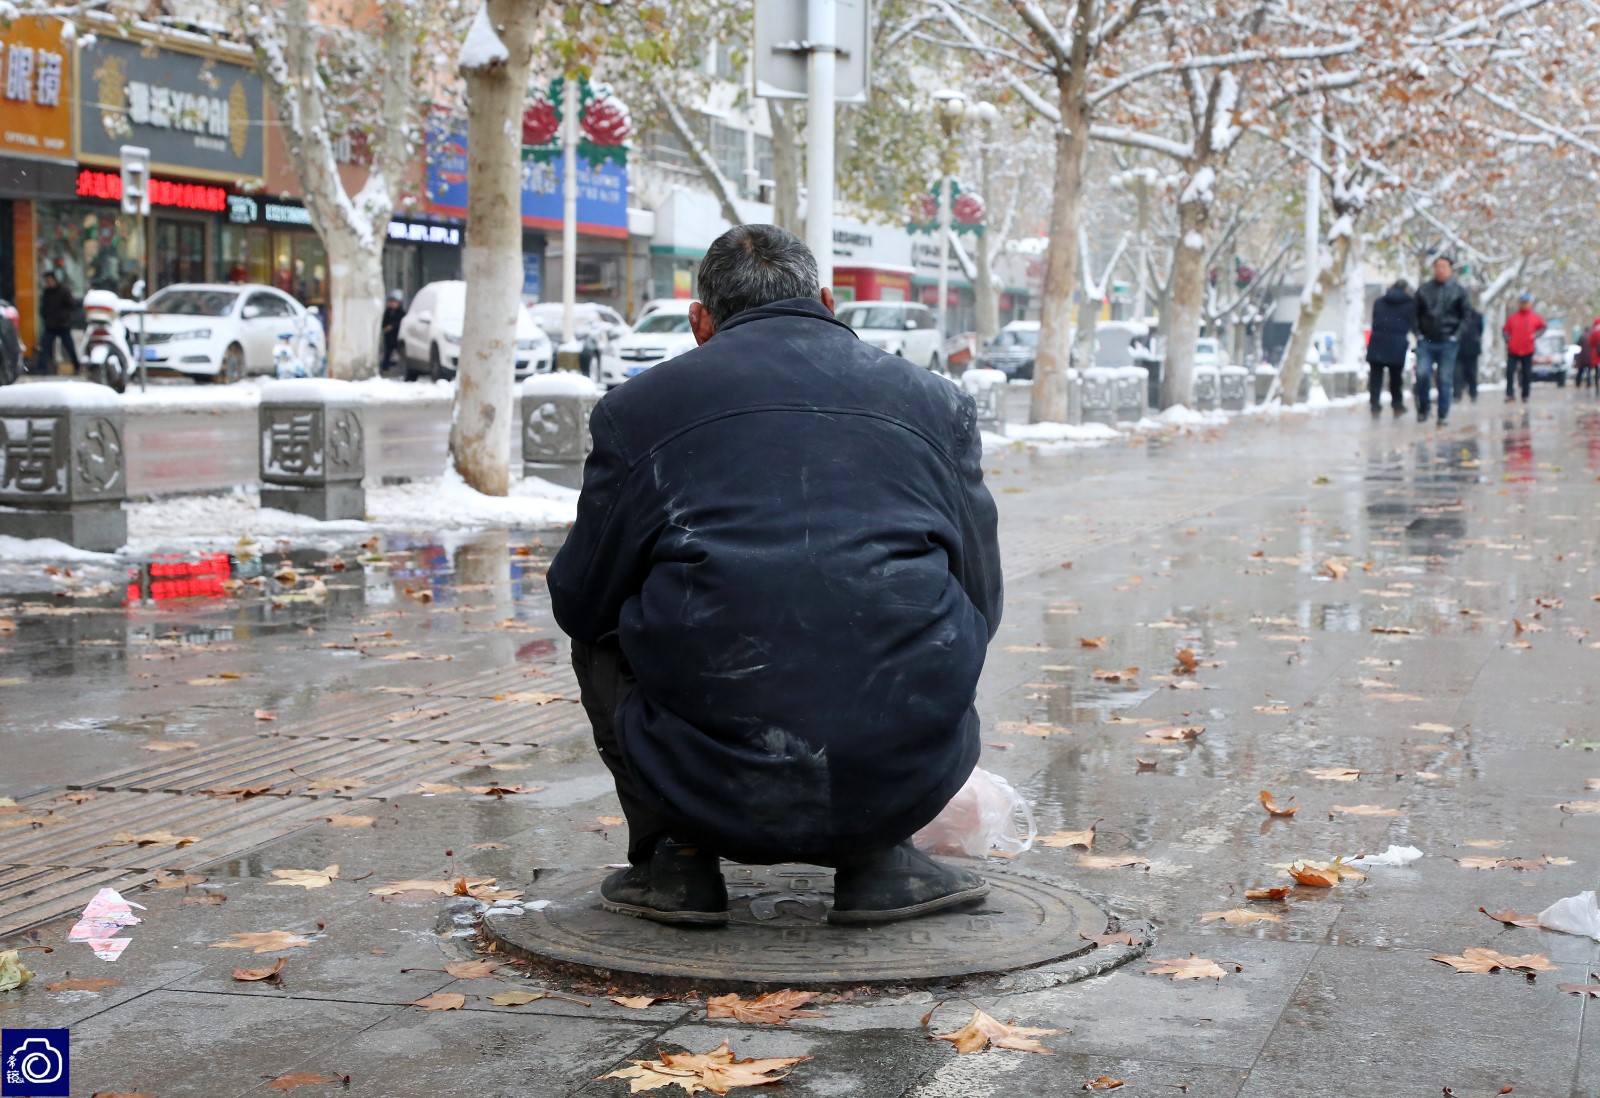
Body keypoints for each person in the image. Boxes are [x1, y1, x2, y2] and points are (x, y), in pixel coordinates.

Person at [547, 224, 1003, 927]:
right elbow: (982, 596)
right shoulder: (935, 403)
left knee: (603, 630)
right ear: (826, 300)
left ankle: (677, 859)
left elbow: (580, 601)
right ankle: (881, 858)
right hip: (904, 769)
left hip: (702, 777)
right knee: (937, 616)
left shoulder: (638, 411)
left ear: (701, 322)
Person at [1413, 254, 1469, 425]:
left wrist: (1456, 336)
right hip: (1427, 340)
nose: (1440, 269)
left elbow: (1466, 315)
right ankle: (1424, 407)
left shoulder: (1459, 291)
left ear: (1450, 269)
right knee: (1422, 373)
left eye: (1443, 266)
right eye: (1437, 266)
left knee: (1444, 378)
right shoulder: (1424, 290)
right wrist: (1418, 334)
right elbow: (1414, 313)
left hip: (1448, 341)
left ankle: (1443, 414)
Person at [1367, 279, 1414, 417]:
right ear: (1405, 289)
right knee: (1396, 377)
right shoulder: (1409, 304)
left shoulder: (1379, 301)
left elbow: (1375, 319)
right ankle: (1397, 405)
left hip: (1377, 342)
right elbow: (1412, 323)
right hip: (1397, 343)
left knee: (1376, 377)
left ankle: (1375, 404)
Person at [1502, 292, 1546, 403]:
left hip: (1527, 350)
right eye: (1522, 302)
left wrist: (1535, 335)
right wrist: (1509, 340)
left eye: (1526, 302)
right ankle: (1509, 394)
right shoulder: (1513, 318)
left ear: (1530, 304)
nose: (1524, 305)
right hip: (1513, 349)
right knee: (1510, 372)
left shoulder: (1535, 318)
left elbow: (1543, 328)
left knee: (1526, 373)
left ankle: (1525, 395)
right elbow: (1505, 331)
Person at [34, 270, 79, 376]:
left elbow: (72, 305)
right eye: (46, 281)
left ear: (54, 280)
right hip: (51, 326)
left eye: (49, 280)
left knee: (69, 347)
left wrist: (64, 316)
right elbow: (43, 308)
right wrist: (46, 317)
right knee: (44, 346)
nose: (48, 283)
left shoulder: (63, 291)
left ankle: (77, 366)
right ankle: (42, 368)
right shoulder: (46, 292)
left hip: (63, 325)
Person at [1455, 301, 1483, 404]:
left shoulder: (1476, 316)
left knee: (1472, 373)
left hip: (1472, 348)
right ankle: (1457, 394)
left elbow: (1480, 329)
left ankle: (1473, 394)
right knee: (1457, 373)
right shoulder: (1456, 315)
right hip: (1458, 348)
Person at [380, 290, 404, 374]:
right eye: (391, 302)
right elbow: (384, 322)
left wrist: (392, 326)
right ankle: (385, 369)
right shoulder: (388, 311)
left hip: (397, 336)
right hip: (389, 337)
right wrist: (385, 327)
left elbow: (400, 323)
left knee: (401, 354)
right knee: (387, 354)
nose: (392, 304)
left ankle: (403, 369)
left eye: (394, 302)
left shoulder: (401, 312)